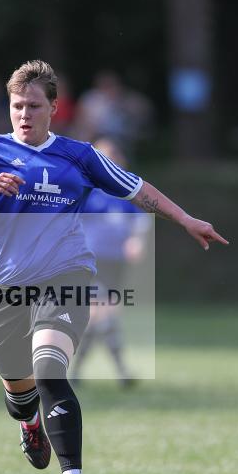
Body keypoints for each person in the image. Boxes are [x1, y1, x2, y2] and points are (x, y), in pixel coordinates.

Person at [0, 60, 227, 474]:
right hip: (1, 283)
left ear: (54, 108)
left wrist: (185, 218)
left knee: (50, 371)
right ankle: (29, 422)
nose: (24, 114)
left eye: (34, 106)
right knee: (20, 394)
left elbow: (138, 190)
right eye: (17, 106)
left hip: (65, 275)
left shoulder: (79, 156)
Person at [70, 138, 151, 387]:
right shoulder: (86, 189)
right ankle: (121, 371)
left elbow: (141, 220)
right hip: (91, 260)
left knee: (102, 316)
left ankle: (75, 372)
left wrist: (137, 240)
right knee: (101, 312)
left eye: (112, 155)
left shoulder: (125, 191)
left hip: (116, 261)